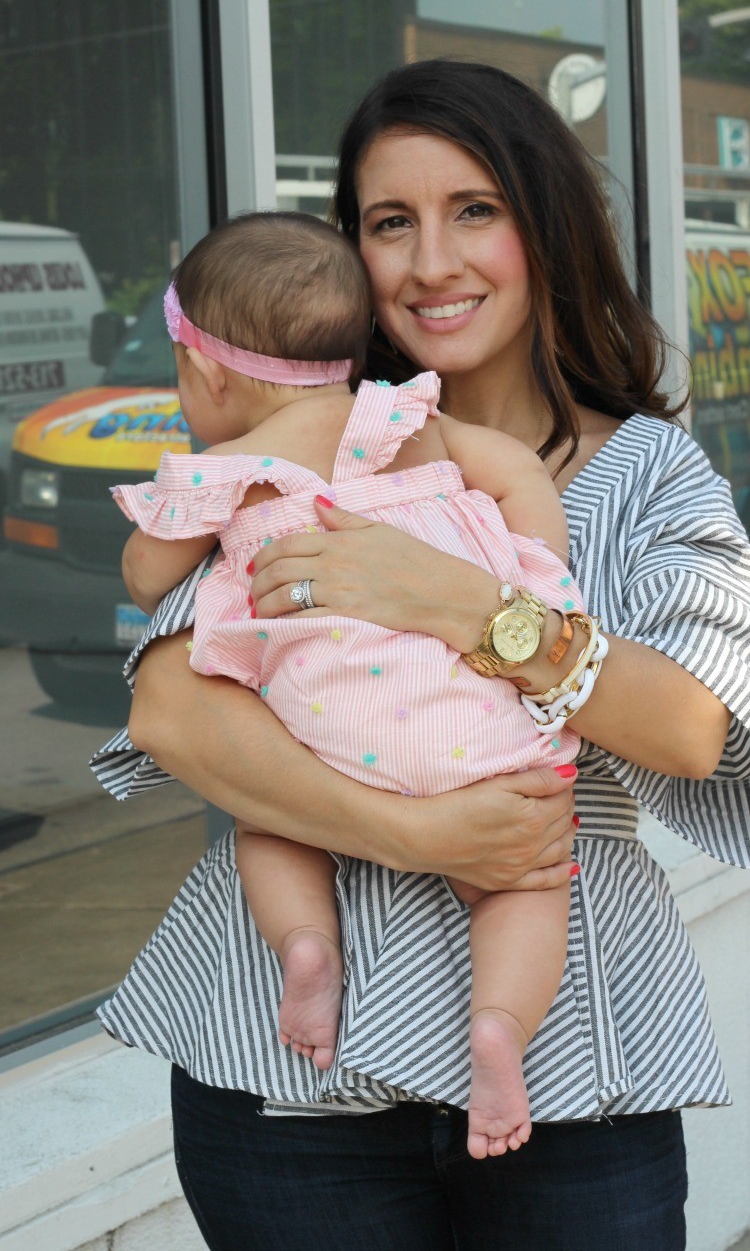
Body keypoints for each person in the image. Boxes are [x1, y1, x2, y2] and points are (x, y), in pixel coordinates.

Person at [91, 59, 750, 1251]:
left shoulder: (653, 473)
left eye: (476, 211)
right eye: (392, 222)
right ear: (351, 252)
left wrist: (461, 601)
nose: (433, 262)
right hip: (286, 1070)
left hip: (568, 1060)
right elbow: (175, 717)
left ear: (545, 228)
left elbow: (692, 724)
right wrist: (420, 835)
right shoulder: (300, 449)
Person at [111, 208, 592, 1158]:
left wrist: (201, 508)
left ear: (207, 370)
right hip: (474, 722)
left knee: (272, 818)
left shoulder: (233, 470)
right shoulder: (405, 417)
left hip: (326, 729)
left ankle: (305, 945)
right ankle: (497, 1025)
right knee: (526, 886)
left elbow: (140, 572)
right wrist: (536, 570)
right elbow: (515, 475)